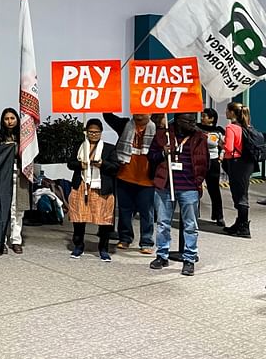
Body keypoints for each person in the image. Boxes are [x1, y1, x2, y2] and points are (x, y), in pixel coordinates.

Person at [148, 113, 209, 277]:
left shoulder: (200, 137)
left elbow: (205, 162)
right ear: (178, 121)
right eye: (187, 120)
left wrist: (198, 182)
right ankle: (162, 255)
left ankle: (189, 258)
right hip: (165, 186)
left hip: (189, 187)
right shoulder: (164, 134)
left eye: (192, 119)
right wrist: (163, 153)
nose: (192, 123)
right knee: (163, 223)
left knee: (190, 225)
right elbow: (151, 156)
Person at [102, 112, 157, 254]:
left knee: (147, 212)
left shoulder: (157, 128)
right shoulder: (125, 125)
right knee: (125, 210)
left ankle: (146, 241)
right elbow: (108, 116)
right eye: (136, 110)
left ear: (150, 112)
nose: (139, 114)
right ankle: (125, 238)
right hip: (124, 175)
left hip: (147, 180)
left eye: (143, 111)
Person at [66, 119, 119, 261]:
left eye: (96, 132)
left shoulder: (109, 148)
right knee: (79, 218)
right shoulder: (80, 146)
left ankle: (103, 248)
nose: (93, 134)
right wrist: (80, 164)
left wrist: (103, 164)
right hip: (82, 185)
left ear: (101, 133)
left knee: (104, 220)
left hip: (101, 188)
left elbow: (116, 167)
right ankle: (78, 246)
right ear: (86, 132)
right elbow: (70, 163)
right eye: (90, 132)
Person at [0, 108, 27, 254]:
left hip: (20, 175)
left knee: (18, 210)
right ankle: (2, 241)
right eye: (6, 118)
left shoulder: (24, 136)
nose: (10, 121)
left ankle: (16, 240)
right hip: (3, 175)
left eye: (12, 118)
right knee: (3, 208)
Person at [222, 102, 258, 238]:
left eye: (227, 110)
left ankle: (244, 227)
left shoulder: (231, 127)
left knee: (240, 196)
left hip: (237, 163)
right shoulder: (247, 126)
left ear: (232, 112)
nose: (225, 112)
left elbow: (229, 148)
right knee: (242, 193)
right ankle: (240, 222)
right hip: (247, 163)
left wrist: (222, 144)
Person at [197, 107, 225, 227]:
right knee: (195, 188)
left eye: (205, 116)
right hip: (198, 160)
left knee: (214, 189)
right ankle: (193, 214)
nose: (202, 118)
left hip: (213, 161)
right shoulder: (196, 128)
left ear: (212, 119)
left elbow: (223, 146)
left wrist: (221, 157)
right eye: (202, 116)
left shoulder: (218, 131)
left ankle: (219, 216)